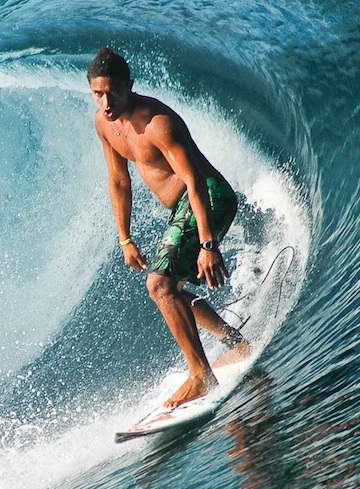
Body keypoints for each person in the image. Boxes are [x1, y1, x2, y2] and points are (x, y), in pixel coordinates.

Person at [87, 47, 251, 408]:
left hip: (210, 196)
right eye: (98, 93)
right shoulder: (104, 124)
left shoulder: (157, 122)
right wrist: (125, 238)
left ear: (129, 86)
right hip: (181, 208)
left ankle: (200, 376)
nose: (106, 101)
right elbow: (118, 180)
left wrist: (208, 245)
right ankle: (236, 343)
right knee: (170, 289)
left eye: (112, 91)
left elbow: (193, 180)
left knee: (160, 285)